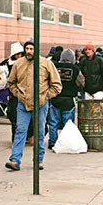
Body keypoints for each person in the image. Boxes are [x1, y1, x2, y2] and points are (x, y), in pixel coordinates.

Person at [5, 40, 62, 171]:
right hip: (23, 103)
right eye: (27, 49)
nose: (29, 51)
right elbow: (11, 82)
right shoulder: (18, 64)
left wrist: (46, 96)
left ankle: (38, 159)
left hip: (41, 104)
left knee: (40, 132)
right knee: (20, 131)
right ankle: (15, 159)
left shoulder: (46, 64)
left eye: (31, 48)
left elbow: (57, 85)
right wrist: (18, 95)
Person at [49, 49, 84, 149]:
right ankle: (66, 143)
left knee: (53, 123)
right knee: (68, 124)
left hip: (55, 98)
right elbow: (81, 82)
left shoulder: (55, 67)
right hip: (69, 99)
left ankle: (52, 142)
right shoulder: (75, 69)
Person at [0, 42, 25, 142]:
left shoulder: (24, 62)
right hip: (13, 93)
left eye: (20, 54)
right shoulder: (6, 64)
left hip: (23, 92)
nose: (19, 56)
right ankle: (16, 138)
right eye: (17, 54)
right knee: (13, 115)